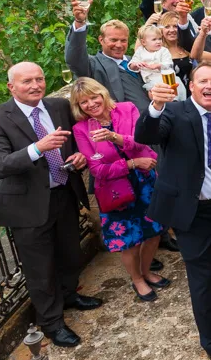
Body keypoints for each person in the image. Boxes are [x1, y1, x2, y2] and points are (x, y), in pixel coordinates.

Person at [135, 65, 211, 360]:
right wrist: (156, 106)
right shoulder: (173, 113)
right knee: (201, 279)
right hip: (190, 210)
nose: (210, 85)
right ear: (191, 85)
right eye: (203, 80)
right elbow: (146, 134)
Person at [0, 62, 100, 348]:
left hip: (64, 194)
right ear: (12, 87)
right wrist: (37, 148)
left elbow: (74, 143)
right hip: (29, 207)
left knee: (71, 254)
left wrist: (79, 158)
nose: (35, 85)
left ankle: (69, 295)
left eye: (39, 78)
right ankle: (51, 323)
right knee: (40, 269)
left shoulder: (58, 106)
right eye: (26, 81)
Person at [69, 77, 167, 302]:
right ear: (78, 106)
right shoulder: (81, 129)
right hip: (116, 189)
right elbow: (98, 170)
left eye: (94, 97)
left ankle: (146, 271)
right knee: (130, 240)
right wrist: (132, 163)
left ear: (103, 94)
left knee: (154, 231)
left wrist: (115, 137)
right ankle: (137, 279)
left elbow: (142, 142)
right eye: (84, 102)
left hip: (146, 182)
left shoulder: (127, 109)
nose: (91, 104)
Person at [65, 6, 151, 113]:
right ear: (101, 40)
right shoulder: (93, 65)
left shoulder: (135, 61)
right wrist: (79, 22)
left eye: (123, 40)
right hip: (125, 125)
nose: (119, 45)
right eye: (113, 40)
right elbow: (74, 58)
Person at [129, 24, 174, 95]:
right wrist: (136, 64)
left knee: (168, 93)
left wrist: (158, 65)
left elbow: (169, 64)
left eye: (160, 39)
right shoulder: (140, 51)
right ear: (143, 42)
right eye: (154, 39)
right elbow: (131, 65)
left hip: (164, 79)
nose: (158, 41)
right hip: (148, 81)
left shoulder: (163, 51)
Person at [158, 11, 194, 98]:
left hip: (192, 95)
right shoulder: (159, 52)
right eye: (167, 27)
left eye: (175, 26)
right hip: (173, 97)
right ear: (161, 30)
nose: (172, 30)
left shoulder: (187, 47)